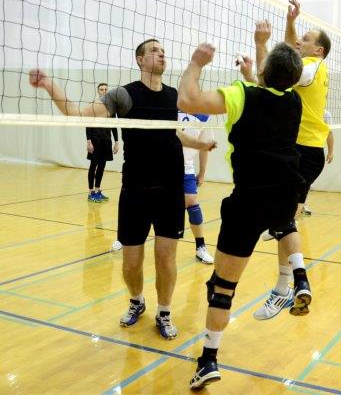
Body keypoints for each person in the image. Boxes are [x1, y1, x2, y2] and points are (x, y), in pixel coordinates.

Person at [29, 38, 214, 340]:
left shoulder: (174, 96)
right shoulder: (123, 95)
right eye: (154, 51)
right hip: (136, 190)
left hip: (170, 189)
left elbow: (173, 133)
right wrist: (49, 85)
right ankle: (137, 301)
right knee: (131, 263)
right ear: (140, 59)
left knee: (166, 257)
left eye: (163, 51)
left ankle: (164, 312)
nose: (161, 54)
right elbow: (76, 114)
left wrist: (200, 143)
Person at [177, 36, 310, 390]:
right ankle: (297, 278)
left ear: (265, 71)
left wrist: (197, 62)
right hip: (285, 197)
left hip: (249, 203)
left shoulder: (241, 95)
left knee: (222, 287)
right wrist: (260, 56)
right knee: (286, 223)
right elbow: (268, 90)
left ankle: (208, 360)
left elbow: (187, 99)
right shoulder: (294, 101)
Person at [254, 0, 331, 320]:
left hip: (301, 152)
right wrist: (290, 22)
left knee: (284, 219)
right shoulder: (314, 65)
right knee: (285, 219)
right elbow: (291, 49)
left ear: (319, 50)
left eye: (307, 39)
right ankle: (286, 286)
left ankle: (288, 287)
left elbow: (272, 74)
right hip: (304, 151)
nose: (301, 41)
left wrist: (261, 46)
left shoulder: (310, 69)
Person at [177, 111, 216, 263]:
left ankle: (200, 247)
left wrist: (202, 172)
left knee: (192, 202)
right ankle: (126, 238)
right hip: (163, 167)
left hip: (186, 168)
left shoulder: (204, 115)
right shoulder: (170, 105)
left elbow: (205, 146)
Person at [86, 83, 119, 203]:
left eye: (106, 89)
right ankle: (91, 193)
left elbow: (114, 126)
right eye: (101, 89)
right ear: (98, 91)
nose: (104, 91)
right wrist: (89, 141)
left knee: (102, 166)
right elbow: (88, 124)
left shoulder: (111, 107)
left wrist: (116, 141)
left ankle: (97, 190)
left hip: (106, 140)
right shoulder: (93, 105)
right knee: (93, 165)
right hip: (95, 139)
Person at [302, 109, 334, 216]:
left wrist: (330, 152)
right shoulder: (304, 108)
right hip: (298, 147)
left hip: (314, 150)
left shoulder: (326, 114)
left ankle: (302, 205)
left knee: (306, 180)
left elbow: (329, 133)